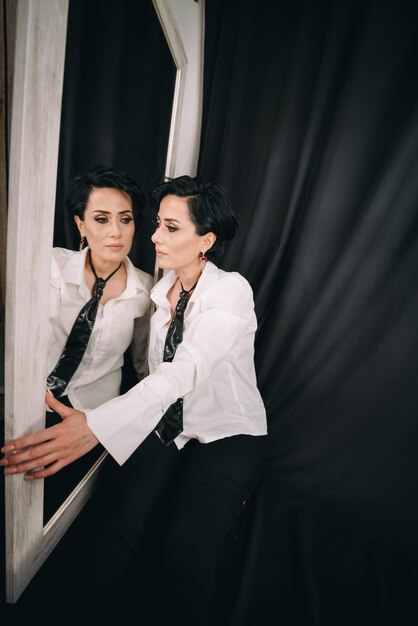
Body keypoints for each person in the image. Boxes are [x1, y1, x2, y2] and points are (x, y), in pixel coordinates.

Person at [1, 175, 267, 625]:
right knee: (111, 534)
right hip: (163, 426)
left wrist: (98, 425)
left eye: (170, 228)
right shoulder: (160, 292)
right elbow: (149, 372)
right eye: (157, 224)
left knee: (183, 560)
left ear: (207, 239)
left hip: (226, 435)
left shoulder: (230, 292)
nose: (152, 236)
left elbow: (185, 370)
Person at [5, 165, 153, 516]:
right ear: (80, 225)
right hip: (27, 402)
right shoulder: (48, 266)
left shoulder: (147, 291)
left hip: (91, 418)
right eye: (101, 219)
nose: (115, 232)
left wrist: (114, 424)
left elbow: (146, 368)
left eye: (126, 219)